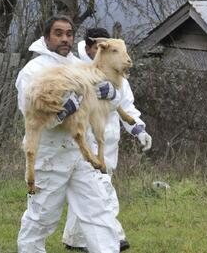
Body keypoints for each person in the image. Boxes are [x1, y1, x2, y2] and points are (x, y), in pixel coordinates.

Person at [15, 15, 121, 253]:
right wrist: (61, 114)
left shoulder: (80, 67)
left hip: (82, 154)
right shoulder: (33, 70)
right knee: (42, 216)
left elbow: (107, 107)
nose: (65, 39)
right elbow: (30, 114)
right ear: (46, 37)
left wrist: (111, 95)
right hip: (50, 156)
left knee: (99, 211)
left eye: (69, 34)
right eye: (58, 33)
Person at [63, 27, 152, 251]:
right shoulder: (77, 69)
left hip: (109, 143)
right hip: (87, 142)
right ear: (89, 47)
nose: (102, 52)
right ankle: (114, 236)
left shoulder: (118, 73)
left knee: (88, 193)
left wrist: (138, 128)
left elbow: (126, 105)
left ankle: (75, 239)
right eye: (98, 47)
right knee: (101, 191)